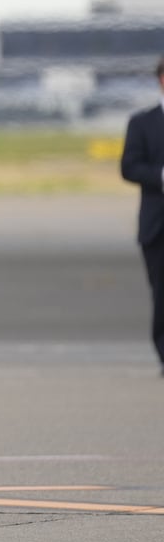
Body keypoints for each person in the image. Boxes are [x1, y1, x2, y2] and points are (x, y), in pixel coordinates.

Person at [119, 54, 164, 377]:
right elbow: (129, 167)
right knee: (162, 293)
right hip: (157, 225)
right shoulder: (142, 123)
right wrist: (161, 177)